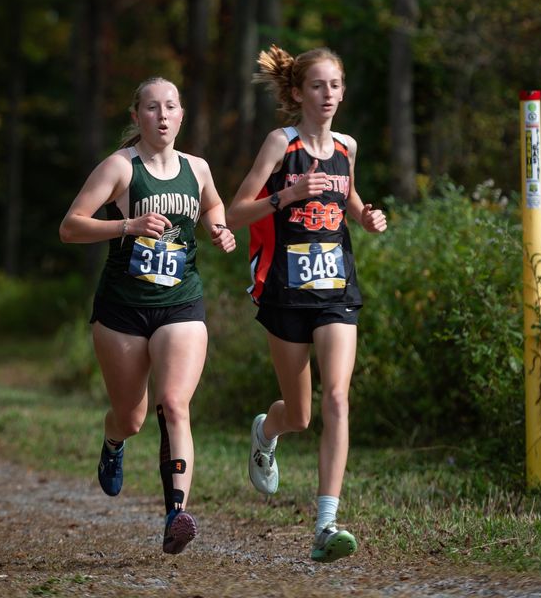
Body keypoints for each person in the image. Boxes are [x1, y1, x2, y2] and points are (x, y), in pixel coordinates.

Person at [59, 76, 236, 555]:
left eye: (171, 107)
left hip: (181, 301)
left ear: (181, 116)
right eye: (152, 108)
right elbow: (70, 227)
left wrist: (219, 229)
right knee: (131, 416)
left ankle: (176, 513)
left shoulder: (196, 168)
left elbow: (213, 204)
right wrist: (128, 225)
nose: (162, 115)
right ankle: (113, 441)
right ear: (136, 117)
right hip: (123, 310)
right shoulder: (119, 168)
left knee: (175, 403)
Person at [225, 45, 387, 563]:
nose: (327, 95)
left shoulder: (347, 146)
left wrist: (364, 217)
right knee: (298, 414)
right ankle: (265, 431)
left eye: (335, 86)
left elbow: (350, 195)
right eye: (317, 86)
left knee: (337, 398)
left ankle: (326, 525)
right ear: (298, 93)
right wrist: (287, 197)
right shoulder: (281, 143)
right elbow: (234, 214)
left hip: (336, 288)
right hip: (286, 290)